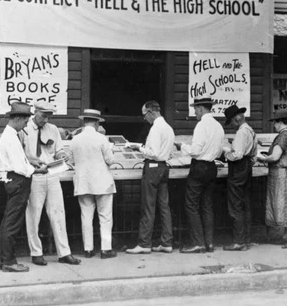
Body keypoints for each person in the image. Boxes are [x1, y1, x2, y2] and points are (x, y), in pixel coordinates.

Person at [19, 101, 81, 266]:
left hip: (52, 175)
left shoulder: (53, 129)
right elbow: (20, 154)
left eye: (49, 117)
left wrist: (62, 155)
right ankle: (36, 252)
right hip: (34, 176)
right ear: (35, 112)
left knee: (58, 213)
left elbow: (58, 150)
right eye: (43, 116)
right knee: (33, 215)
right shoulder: (24, 129)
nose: (46, 120)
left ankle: (64, 253)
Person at [0, 102, 48, 273]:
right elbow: (19, 167)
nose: (26, 125)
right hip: (18, 180)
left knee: (8, 221)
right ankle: (9, 261)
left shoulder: (11, 134)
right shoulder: (11, 138)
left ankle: (4, 259)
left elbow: (19, 160)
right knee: (12, 223)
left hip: (13, 180)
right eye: (25, 121)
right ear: (18, 119)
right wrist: (38, 170)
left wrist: (30, 161)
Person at [174, 96, 224, 253]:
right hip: (212, 167)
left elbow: (195, 151)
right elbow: (219, 151)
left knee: (191, 205)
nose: (194, 112)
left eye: (195, 109)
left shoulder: (201, 125)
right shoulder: (218, 126)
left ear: (201, 108)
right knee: (207, 205)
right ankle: (209, 243)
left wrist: (182, 146)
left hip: (199, 167)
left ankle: (197, 243)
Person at [126, 100, 174, 254]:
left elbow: (152, 152)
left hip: (153, 167)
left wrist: (138, 148)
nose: (144, 118)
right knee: (164, 206)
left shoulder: (155, 129)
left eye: (144, 115)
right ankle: (166, 242)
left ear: (150, 112)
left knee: (148, 206)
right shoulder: (168, 128)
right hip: (164, 167)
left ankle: (144, 243)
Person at [70, 109, 117, 259]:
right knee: (105, 217)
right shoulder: (102, 138)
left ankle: (88, 249)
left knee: (86, 216)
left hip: (83, 183)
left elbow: (71, 160)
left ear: (84, 121)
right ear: (97, 123)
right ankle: (106, 249)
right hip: (102, 183)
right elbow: (110, 160)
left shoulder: (75, 140)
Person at [257, 110, 287, 249]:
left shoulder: (282, 136)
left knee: (285, 204)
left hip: (283, 174)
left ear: (281, 122)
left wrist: (263, 158)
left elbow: (275, 156)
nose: (274, 125)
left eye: (275, 122)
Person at [222, 105, 258, 251]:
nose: (231, 124)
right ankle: (246, 239)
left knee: (235, 204)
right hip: (247, 167)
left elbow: (237, 154)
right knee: (245, 203)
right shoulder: (251, 130)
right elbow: (254, 155)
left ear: (236, 119)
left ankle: (238, 241)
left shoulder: (241, 132)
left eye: (231, 121)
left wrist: (226, 153)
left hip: (238, 168)